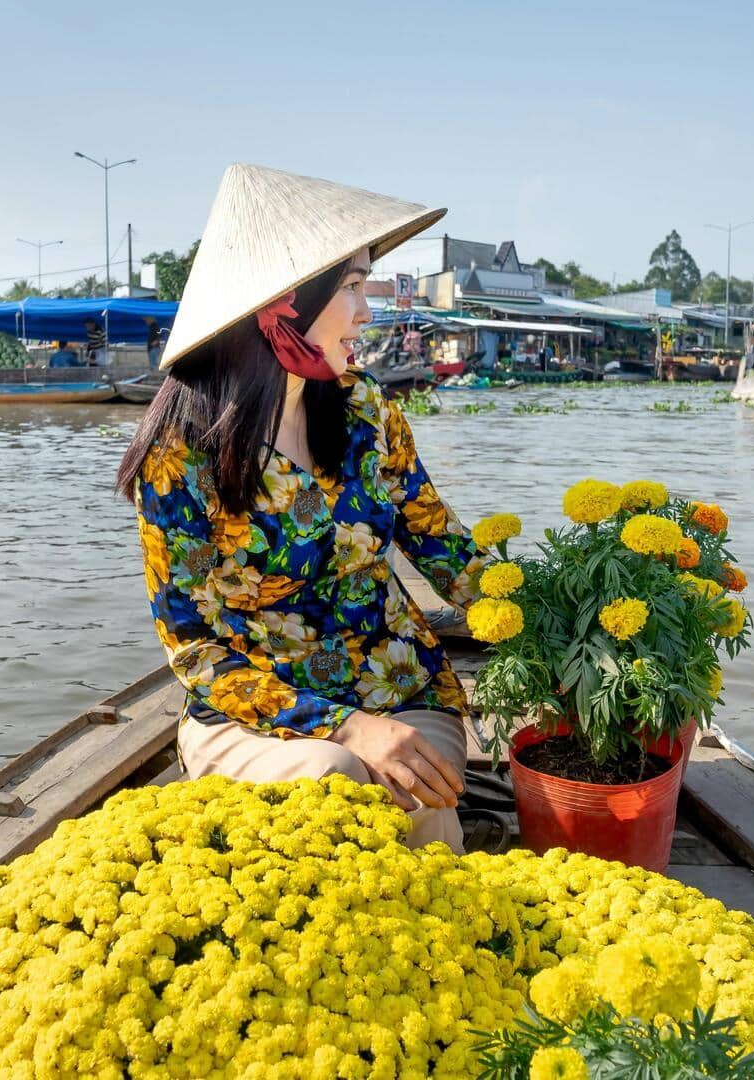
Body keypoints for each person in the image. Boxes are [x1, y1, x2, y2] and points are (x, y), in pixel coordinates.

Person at [117, 164, 494, 853]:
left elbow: (441, 544)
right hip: (255, 718)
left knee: (413, 793)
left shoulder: (366, 411)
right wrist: (347, 728)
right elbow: (196, 651)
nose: (366, 312)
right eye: (350, 287)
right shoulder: (183, 456)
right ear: (282, 305)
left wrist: (553, 617)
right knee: (337, 776)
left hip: (398, 689)